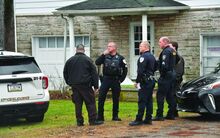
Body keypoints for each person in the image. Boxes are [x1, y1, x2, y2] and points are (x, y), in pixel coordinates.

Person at [63, 44, 103, 126]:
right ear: (84, 50)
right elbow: (94, 74)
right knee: (90, 103)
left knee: (78, 104)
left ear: (76, 50)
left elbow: (65, 73)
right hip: (86, 85)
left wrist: (69, 83)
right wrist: (96, 86)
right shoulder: (88, 60)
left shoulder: (69, 61)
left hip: (75, 86)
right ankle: (92, 120)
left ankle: (79, 121)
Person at [95, 41, 128, 121]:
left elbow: (125, 70)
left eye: (110, 46)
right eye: (108, 46)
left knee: (116, 99)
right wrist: (103, 54)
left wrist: (121, 80)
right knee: (101, 98)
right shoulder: (105, 56)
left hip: (116, 80)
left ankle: (115, 116)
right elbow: (97, 62)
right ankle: (100, 116)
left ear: (114, 48)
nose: (108, 48)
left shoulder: (120, 58)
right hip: (106, 79)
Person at [129, 41, 156, 126]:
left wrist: (137, 81)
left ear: (146, 47)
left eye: (141, 46)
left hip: (145, 81)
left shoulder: (143, 57)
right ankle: (148, 118)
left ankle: (139, 119)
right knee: (149, 100)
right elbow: (155, 67)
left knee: (142, 100)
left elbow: (140, 71)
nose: (139, 47)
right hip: (151, 80)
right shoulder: (152, 56)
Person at [153, 37, 176, 121]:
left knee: (160, 95)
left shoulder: (166, 51)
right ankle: (171, 114)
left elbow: (164, 65)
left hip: (166, 75)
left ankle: (159, 115)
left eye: (160, 42)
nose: (159, 44)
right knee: (170, 95)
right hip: (172, 74)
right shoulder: (173, 50)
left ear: (165, 42)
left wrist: (161, 74)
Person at [170, 41, 185, 117]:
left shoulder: (179, 58)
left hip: (175, 81)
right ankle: (172, 112)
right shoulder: (172, 57)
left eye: (170, 46)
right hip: (171, 80)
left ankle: (174, 112)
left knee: (173, 96)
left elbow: (179, 71)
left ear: (174, 48)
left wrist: (175, 79)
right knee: (170, 96)